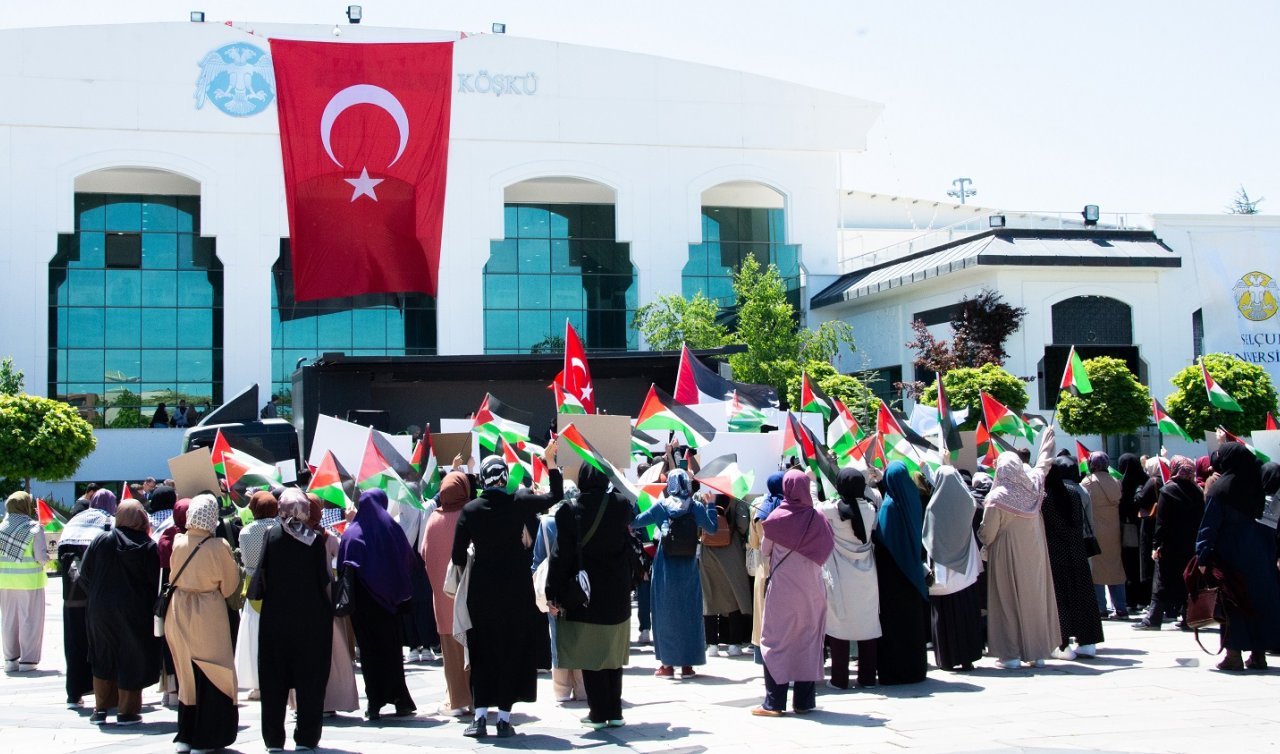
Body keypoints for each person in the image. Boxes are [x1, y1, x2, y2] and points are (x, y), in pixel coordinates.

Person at [453, 451, 563, 738]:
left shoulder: (471, 510)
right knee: (511, 650)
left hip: (482, 591)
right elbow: (556, 495)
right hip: (516, 589)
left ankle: (479, 718)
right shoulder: (519, 502)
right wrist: (550, 462)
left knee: (482, 651)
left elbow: (457, 557)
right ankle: (503, 718)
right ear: (504, 477)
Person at [547, 463, 634, 729]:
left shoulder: (569, 511)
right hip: (617, 592)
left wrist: (553, 591)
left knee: (591, 654)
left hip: (585, 593)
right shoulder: (621, 505)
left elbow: (561, 556)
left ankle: (598, 713)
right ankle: (615, 711)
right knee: (612, 654)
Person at [753, 468, 835, 716]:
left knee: (775, 641)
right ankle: (804, 701)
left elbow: (766, 550)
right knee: (808, 641)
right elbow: (828, 547)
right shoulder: (818, 517)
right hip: (812, 589)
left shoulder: (776, 517)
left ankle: (775, 702)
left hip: (783, 591)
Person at [257, 489, 332, 752]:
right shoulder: (314, 539)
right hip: (310, 620)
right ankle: (306, 739)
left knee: (273, 681)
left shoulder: (271, 534)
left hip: (275, 619)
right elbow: (323, 580)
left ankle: (274, 740)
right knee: (310, 681)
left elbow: (262, 575)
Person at [1195, 442, 1280, 670]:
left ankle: (1233, 655)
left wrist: (1201, 555)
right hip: (1259, 556)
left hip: (1230, 556)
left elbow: (1209, 525)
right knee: (1256, 603)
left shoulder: (1221, 488)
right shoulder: (1256, 486)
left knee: (1232, 604)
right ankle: (1258, 655)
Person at [979, 428, 1060, 669]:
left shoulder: (997, 497)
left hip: (1006, 555)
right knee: (1033, 601)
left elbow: (987, 533)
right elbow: (1044, 463)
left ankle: (1010, 655)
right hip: (1034, 554)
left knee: (1007, 603)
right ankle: (1038, 652)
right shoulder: (1033, 485)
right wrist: (1048, 438)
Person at [167, 493, 241, 752]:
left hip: (178, 611)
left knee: (187, 676)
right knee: (214, 672)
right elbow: (230, 585)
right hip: (207, 611)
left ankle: (186, 735)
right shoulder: (218, 546)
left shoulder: (178, 542)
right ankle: (207, 737)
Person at [632, 469, 718, 680]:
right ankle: (688, 665)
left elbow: (636, 522)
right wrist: (711, 505)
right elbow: (713, 529)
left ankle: (667, 665)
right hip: (688, 564)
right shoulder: (696, 506)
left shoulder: (663, 505)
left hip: (665, 565)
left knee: (664, 613)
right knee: (689, 612)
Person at [79, 500, 159, 725]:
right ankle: (127, 711)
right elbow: (155, 583)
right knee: (132, 656)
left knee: (103, 654)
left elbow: (85, 574)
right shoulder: (148, 546)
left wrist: (98, 594)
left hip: (100, 609)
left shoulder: (102, 540)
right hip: (135, 611)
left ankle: (101, 709)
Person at [339, 489, 417, 721]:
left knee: (369, 655)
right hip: (389, 606)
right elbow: (407, 560)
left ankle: (374, 703)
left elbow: (344, 566)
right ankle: (399, 700)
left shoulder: (352, 532)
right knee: (392, 652)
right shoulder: (391, 529)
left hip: (363, 607)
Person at [818, 467, 882, 689]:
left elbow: (813, 506)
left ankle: (839, 679)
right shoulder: (871, 509)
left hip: (841, 573)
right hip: (866, 571)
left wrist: (810, 480)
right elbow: (875, 498)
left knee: (840, 627)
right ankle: (867, 677)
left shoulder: (832, 510)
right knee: (868, 625)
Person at [1041, 457, 1105, 660]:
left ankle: (1062, 643)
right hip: (1076, 550)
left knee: (1059, 599)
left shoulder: (1044, 497)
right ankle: (1088, 642)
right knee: (1082, 596)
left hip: (1054, 552)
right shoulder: (1073, 494)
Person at [57, 489, 117, 706]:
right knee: (101, 643)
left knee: (74, 642)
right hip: (98, 595)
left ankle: (74, 693)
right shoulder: (109, 521)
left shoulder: (74, 521)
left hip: (71, 594)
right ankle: (105, 694)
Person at [422, 471, 474, 716]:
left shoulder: (433, 520)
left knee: (451, 654)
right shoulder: (471, 514)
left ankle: (456, 699)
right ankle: (475, 698)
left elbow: (425, 554)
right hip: (470, 597)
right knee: (472, 648)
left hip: (443, 597)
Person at [924, 466, 985, 672]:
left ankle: (947, 660)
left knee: (945, 617)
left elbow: (928, 539)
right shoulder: (968, 503)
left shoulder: (933, 507)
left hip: (943, 570)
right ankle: (967, 658)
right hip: (965, 569)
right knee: (965, 613)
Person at [873, 462, 929, 684]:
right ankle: (915, 669)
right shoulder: (911, 498)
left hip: (893, 576)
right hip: (912, 572)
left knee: (895, 627)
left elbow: (884, 538)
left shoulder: (888, 508)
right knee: (912, 626)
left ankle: (896, 671)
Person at [302, 494, 358, 716]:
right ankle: (331, 700)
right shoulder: (327, 537)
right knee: (333, 649)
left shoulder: (291, 536)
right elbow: (343, 559)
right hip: (326, 595)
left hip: (302, 598)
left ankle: (306, 700)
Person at [1134, 456, 1204, 630]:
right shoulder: (1197, 492)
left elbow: (1162, 523)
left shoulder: (1168, 491)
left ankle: (1153, 619)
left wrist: (1156, 545)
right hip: (1191, 545)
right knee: (1188, 580)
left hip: (1170, 545)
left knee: (1161, 580)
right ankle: (1188, 618)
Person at [234, 490, 279, 701]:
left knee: (254, 637)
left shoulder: (245, 532)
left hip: (253, 587)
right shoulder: (280, 529)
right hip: (277, 586)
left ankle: (258, 684)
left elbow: (244, 560)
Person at [0, 491, 49, 674]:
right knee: (30, 620)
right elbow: (41, 558)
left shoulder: (1, 528)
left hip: (4, 581)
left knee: (8, 620)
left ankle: (10, 660)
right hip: (30, 581)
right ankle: (28, 661)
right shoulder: (34, 528)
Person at [700, 494, 753, 657]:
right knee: (734, 596)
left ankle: (712, 645)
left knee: (710, 596)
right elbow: (743, 525)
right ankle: (734, 644)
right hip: (732, 550)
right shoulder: (736, 498)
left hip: (708, 550)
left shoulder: (703, 496)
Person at [1081, 452, 1128, 619]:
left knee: (1097, 569)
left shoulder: (1088, 482)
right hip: (1114, 530)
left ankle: (1101, 607)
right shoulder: (1116, 482)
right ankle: (1121, 607)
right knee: (1116, 567)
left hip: (1096, 529)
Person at [156, 497, 189, 707]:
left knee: (169, 645)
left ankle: (170, 690)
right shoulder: (198, 537)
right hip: (191, 596)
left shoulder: (166, 535)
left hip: (168, 595)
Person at [1116, 453, 1149, 613]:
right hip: (1145, 529)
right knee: (1142, 564)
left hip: (1128, 529)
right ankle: (1144, 598)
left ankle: (1131, 600)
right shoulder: (1146, 481)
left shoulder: (1122, 484)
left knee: (1129, 565)